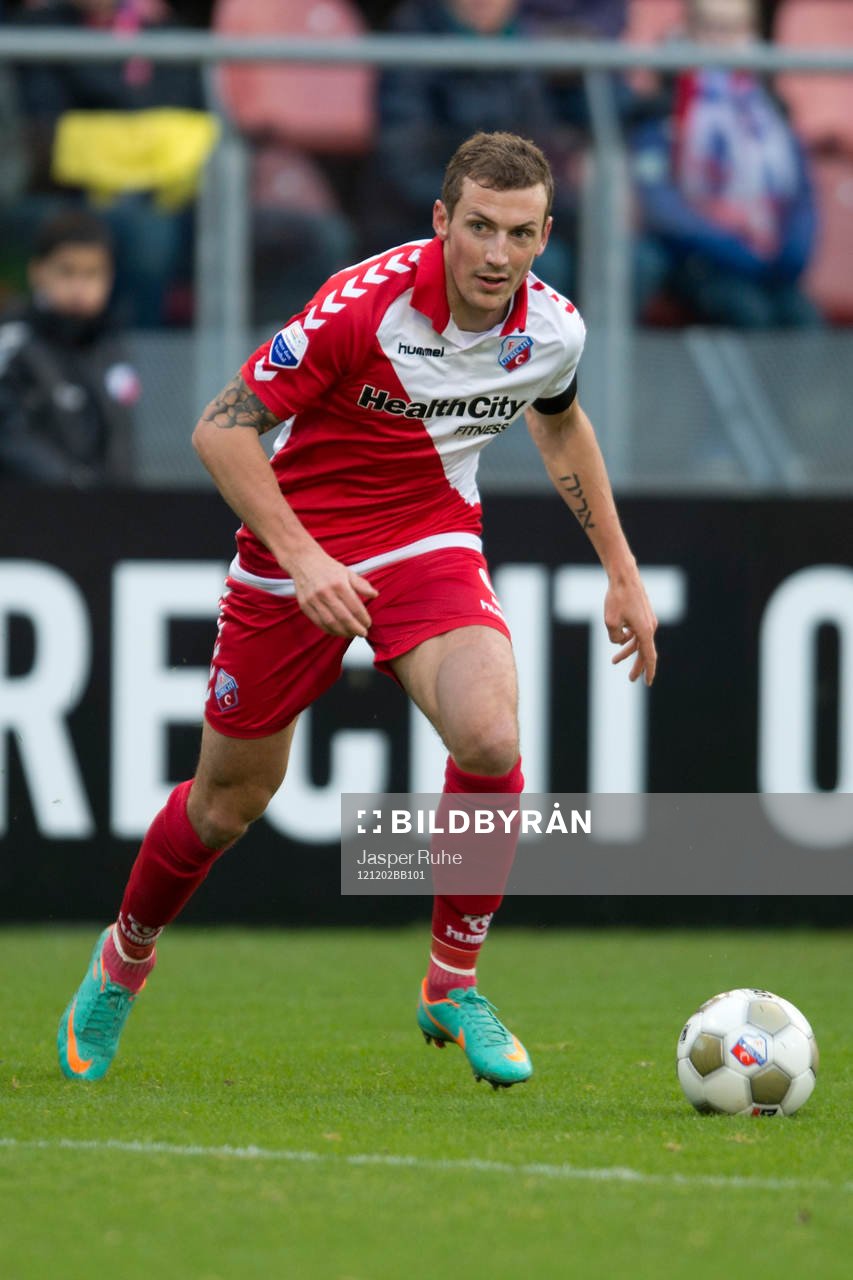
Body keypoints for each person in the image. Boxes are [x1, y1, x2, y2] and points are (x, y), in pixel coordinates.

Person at [57, 131, 657, 1089]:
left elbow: (561, 425)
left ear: (545, 234)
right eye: (476, 228)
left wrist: (622, 572)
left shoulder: (552, 331)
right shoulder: (360, 308)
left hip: (427, 538)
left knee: (491, 739)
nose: (495, 255)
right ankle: (124, 956)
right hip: (295, 545)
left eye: (518, 233)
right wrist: (304, 559)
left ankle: (450, 983)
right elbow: (220, 431)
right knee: (227, 805)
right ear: (440, 222)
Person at [630, 0, 821, 328]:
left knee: (802, 319)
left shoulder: (773, 111)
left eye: (733, 28)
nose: (722, 41)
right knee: (747, 313)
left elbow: (801, 195)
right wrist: (734, 252)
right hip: (695, 264)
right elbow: (662, 207)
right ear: (687, 30)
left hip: (770, 265)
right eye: (710, 27)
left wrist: (791, 254)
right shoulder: (661, 107)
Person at [373, 0, 578, 296]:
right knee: (546, 263)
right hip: (430, 217)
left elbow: (546, 149)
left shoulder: (526, 48)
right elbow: (405, 167)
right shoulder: (411, 45)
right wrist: (490, 205)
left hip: (513, 213)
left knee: (620, 251)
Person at [0, 208, 138, 485]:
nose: (79, 287)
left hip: (106, 514)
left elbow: (122, 441)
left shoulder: (111, 347)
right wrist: (75, 485)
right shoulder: (13, 343)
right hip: (27, 513)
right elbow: (10, 437)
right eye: (67, 271)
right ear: (37, 272)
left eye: (92, 274)